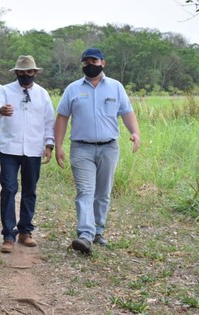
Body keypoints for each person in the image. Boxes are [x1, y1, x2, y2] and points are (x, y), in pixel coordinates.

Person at [53, 48, 141, 255]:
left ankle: (98, 231)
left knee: (103, 193)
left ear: (103, 63)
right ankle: (85, 234)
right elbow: (62, 118)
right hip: (81, 148)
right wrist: (58, 146)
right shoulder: (72, 89)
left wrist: (135, 132)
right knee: (85, 191)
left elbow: (127, 112)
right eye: (85, 62)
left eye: (93, 60)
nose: (89, 65)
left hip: (109, 147)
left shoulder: (116, 87)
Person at [0, 55, 55, 253]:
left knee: (30, 190)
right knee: (8, 189)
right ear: (16, 73)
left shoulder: (43, 94)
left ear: (35, 73)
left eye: (29, 72)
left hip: (34, 149)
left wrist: (49, 145)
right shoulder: (5, 90)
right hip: (10, 148)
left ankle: (25, 231)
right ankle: (8, 235)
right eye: (22, 72)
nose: (25, 76)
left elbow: (49, 121)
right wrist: (1, 110)